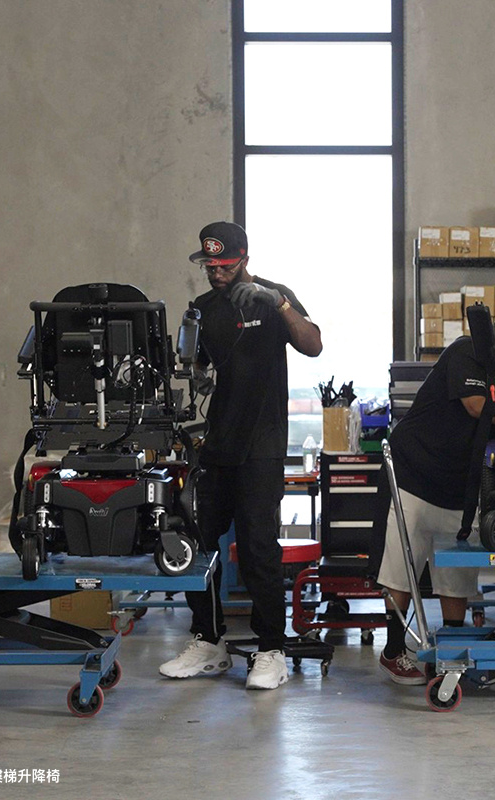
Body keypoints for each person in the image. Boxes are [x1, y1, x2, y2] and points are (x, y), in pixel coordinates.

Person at [159, 221, 322, 690]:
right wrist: (193, 370)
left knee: (257, 548)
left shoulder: (274, 299)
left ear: (245, 259)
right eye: (209, 266)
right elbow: (195, 367)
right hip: (217, 444)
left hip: (262, 446)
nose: (217, 274)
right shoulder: (203, 308)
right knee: (198, 544)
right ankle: (209, 642)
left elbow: (313, 344)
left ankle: (272, 650)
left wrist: (280, 304)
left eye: (225, 266)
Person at [375, 335, 492, 684]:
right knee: (403, 566)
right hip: (413, 470)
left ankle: (448, 654)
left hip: (457, 481)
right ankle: (393, 651)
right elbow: (476, 405)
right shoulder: (468, 350)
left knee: (456, 572)